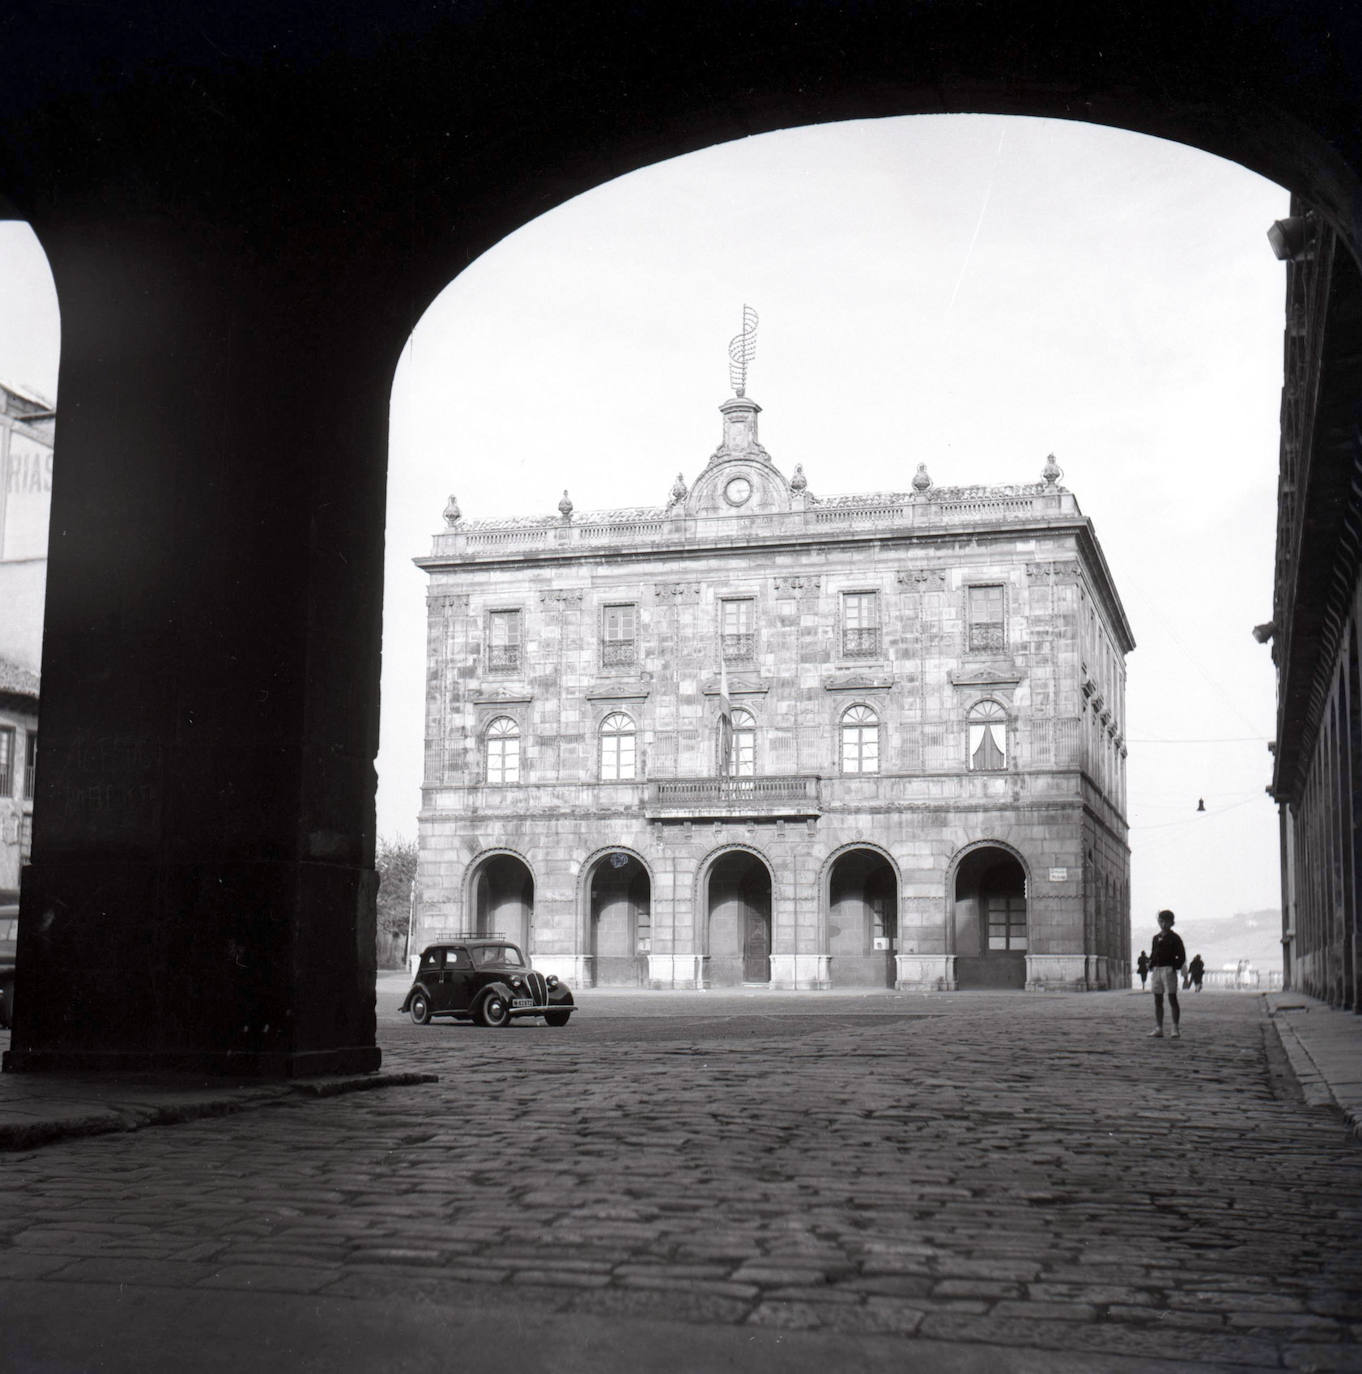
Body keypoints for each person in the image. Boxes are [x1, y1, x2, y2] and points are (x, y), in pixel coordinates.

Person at [1147, 909, 1186, 1039]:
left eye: (1166, 922)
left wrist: (1174, 966)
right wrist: (1150, 963)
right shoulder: (1155, 938)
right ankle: (1159, 1028)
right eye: (1161, 921)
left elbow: (1181, 956)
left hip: (1169, 970)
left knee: (1172, 998)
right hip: (1157, 970)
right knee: (1157, 999)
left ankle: (1175, 1028)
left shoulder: (1175, 938)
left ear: (1171, 923)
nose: (1163, 924)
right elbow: (1153, 954)